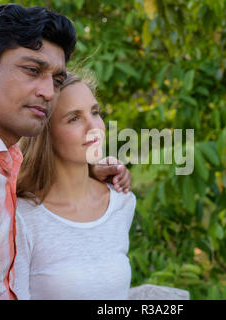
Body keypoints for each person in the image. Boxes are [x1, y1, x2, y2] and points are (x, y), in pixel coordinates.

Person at [0, 4, 130, 300]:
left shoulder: (0, 162)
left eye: (55, 80)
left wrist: (88, 170)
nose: (48, 92)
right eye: (32, 70)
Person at [13, 71, 136, 300]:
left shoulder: (122, 202)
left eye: (95, 112)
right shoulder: (22, 217)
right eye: (74, 118)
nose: (94, 127)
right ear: (45, 133)